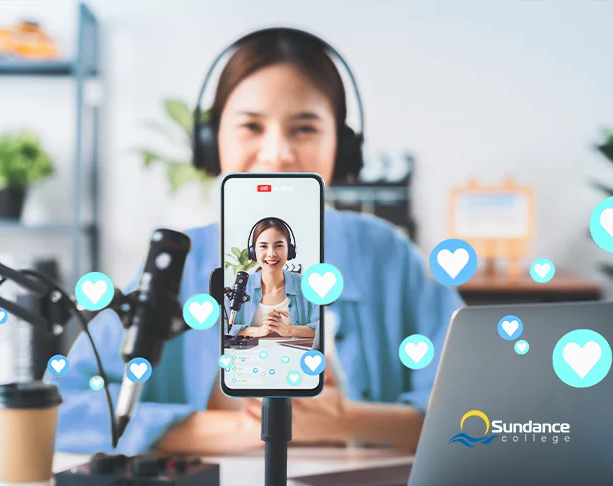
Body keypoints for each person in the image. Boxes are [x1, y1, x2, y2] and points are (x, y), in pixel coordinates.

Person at [47, 28, 464, 457]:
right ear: (211, 142)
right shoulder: (179, 261)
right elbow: (62, 408)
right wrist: (240, 430)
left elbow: (472, 414)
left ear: (342, 146)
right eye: (251, 126)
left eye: (304, 128)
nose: (277, 153)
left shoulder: (385, 254)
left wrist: (343, 419)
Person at [228, 217, 318, 338]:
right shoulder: (241, 287)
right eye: (263, 246)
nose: (271, 254)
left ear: (290, 251)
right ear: (253, 251)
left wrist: (288, 330)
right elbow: (225, 329)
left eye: (278, 246)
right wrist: (260, 330)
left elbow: (321, 327)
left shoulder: (307, 286)